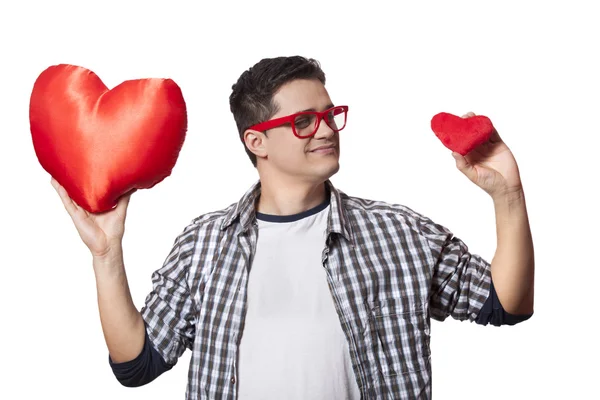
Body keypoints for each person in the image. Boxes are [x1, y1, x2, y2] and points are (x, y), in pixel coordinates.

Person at [51, 55, 535, 399]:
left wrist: (507, 194)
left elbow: (505, 303)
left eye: (329, 116)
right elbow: (138, 363)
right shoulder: (205, 243)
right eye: (304, 121)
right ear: (256, 141)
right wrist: (106, 255)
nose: (326, 130)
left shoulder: (398, 232)